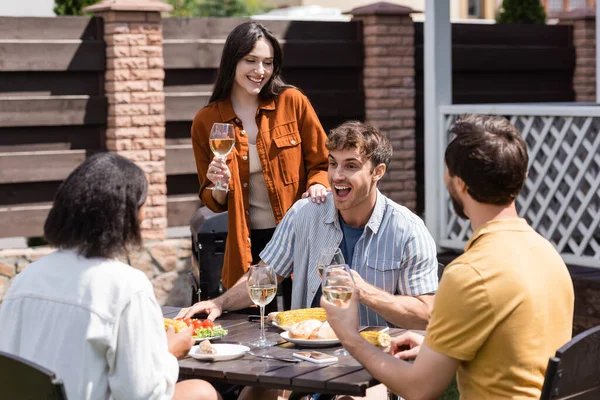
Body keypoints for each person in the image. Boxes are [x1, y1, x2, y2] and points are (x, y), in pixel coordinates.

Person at [322, 115, 575, 399]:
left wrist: (350, 337)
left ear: (460, 184)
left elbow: (419, 388)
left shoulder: (471, 273)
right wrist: (433, 344)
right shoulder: (547, 255)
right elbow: (514, 351)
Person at [0, 153, 219, 400]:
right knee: (204, 393)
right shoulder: (127, 288)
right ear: (128, 214)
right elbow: (142, 395)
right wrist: (169, 354)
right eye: (144, 204)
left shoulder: (25, 279)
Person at [180, 121, 438, 330]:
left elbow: (426, 316)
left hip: (377, 362)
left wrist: (363, 291)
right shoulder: (305, 213)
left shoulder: (409, 231)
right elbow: (264, 276)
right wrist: (219, 303)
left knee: (354, 399)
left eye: (351, 166)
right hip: (305, 350)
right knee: (254, 391)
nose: (337, 176)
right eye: (333, 163)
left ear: (378, 172)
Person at [190, 21, 330, 299]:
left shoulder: (293, 102)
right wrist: (219, 183)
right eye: (250, 61)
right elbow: (212, 200)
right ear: (232, 61)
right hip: (246, 243)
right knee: (252, 324)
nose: (260, 71)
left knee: (303, 320)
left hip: (297, 236)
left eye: (268, 62)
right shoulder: (206, 121)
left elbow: (324, 162)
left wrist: (318, 184)